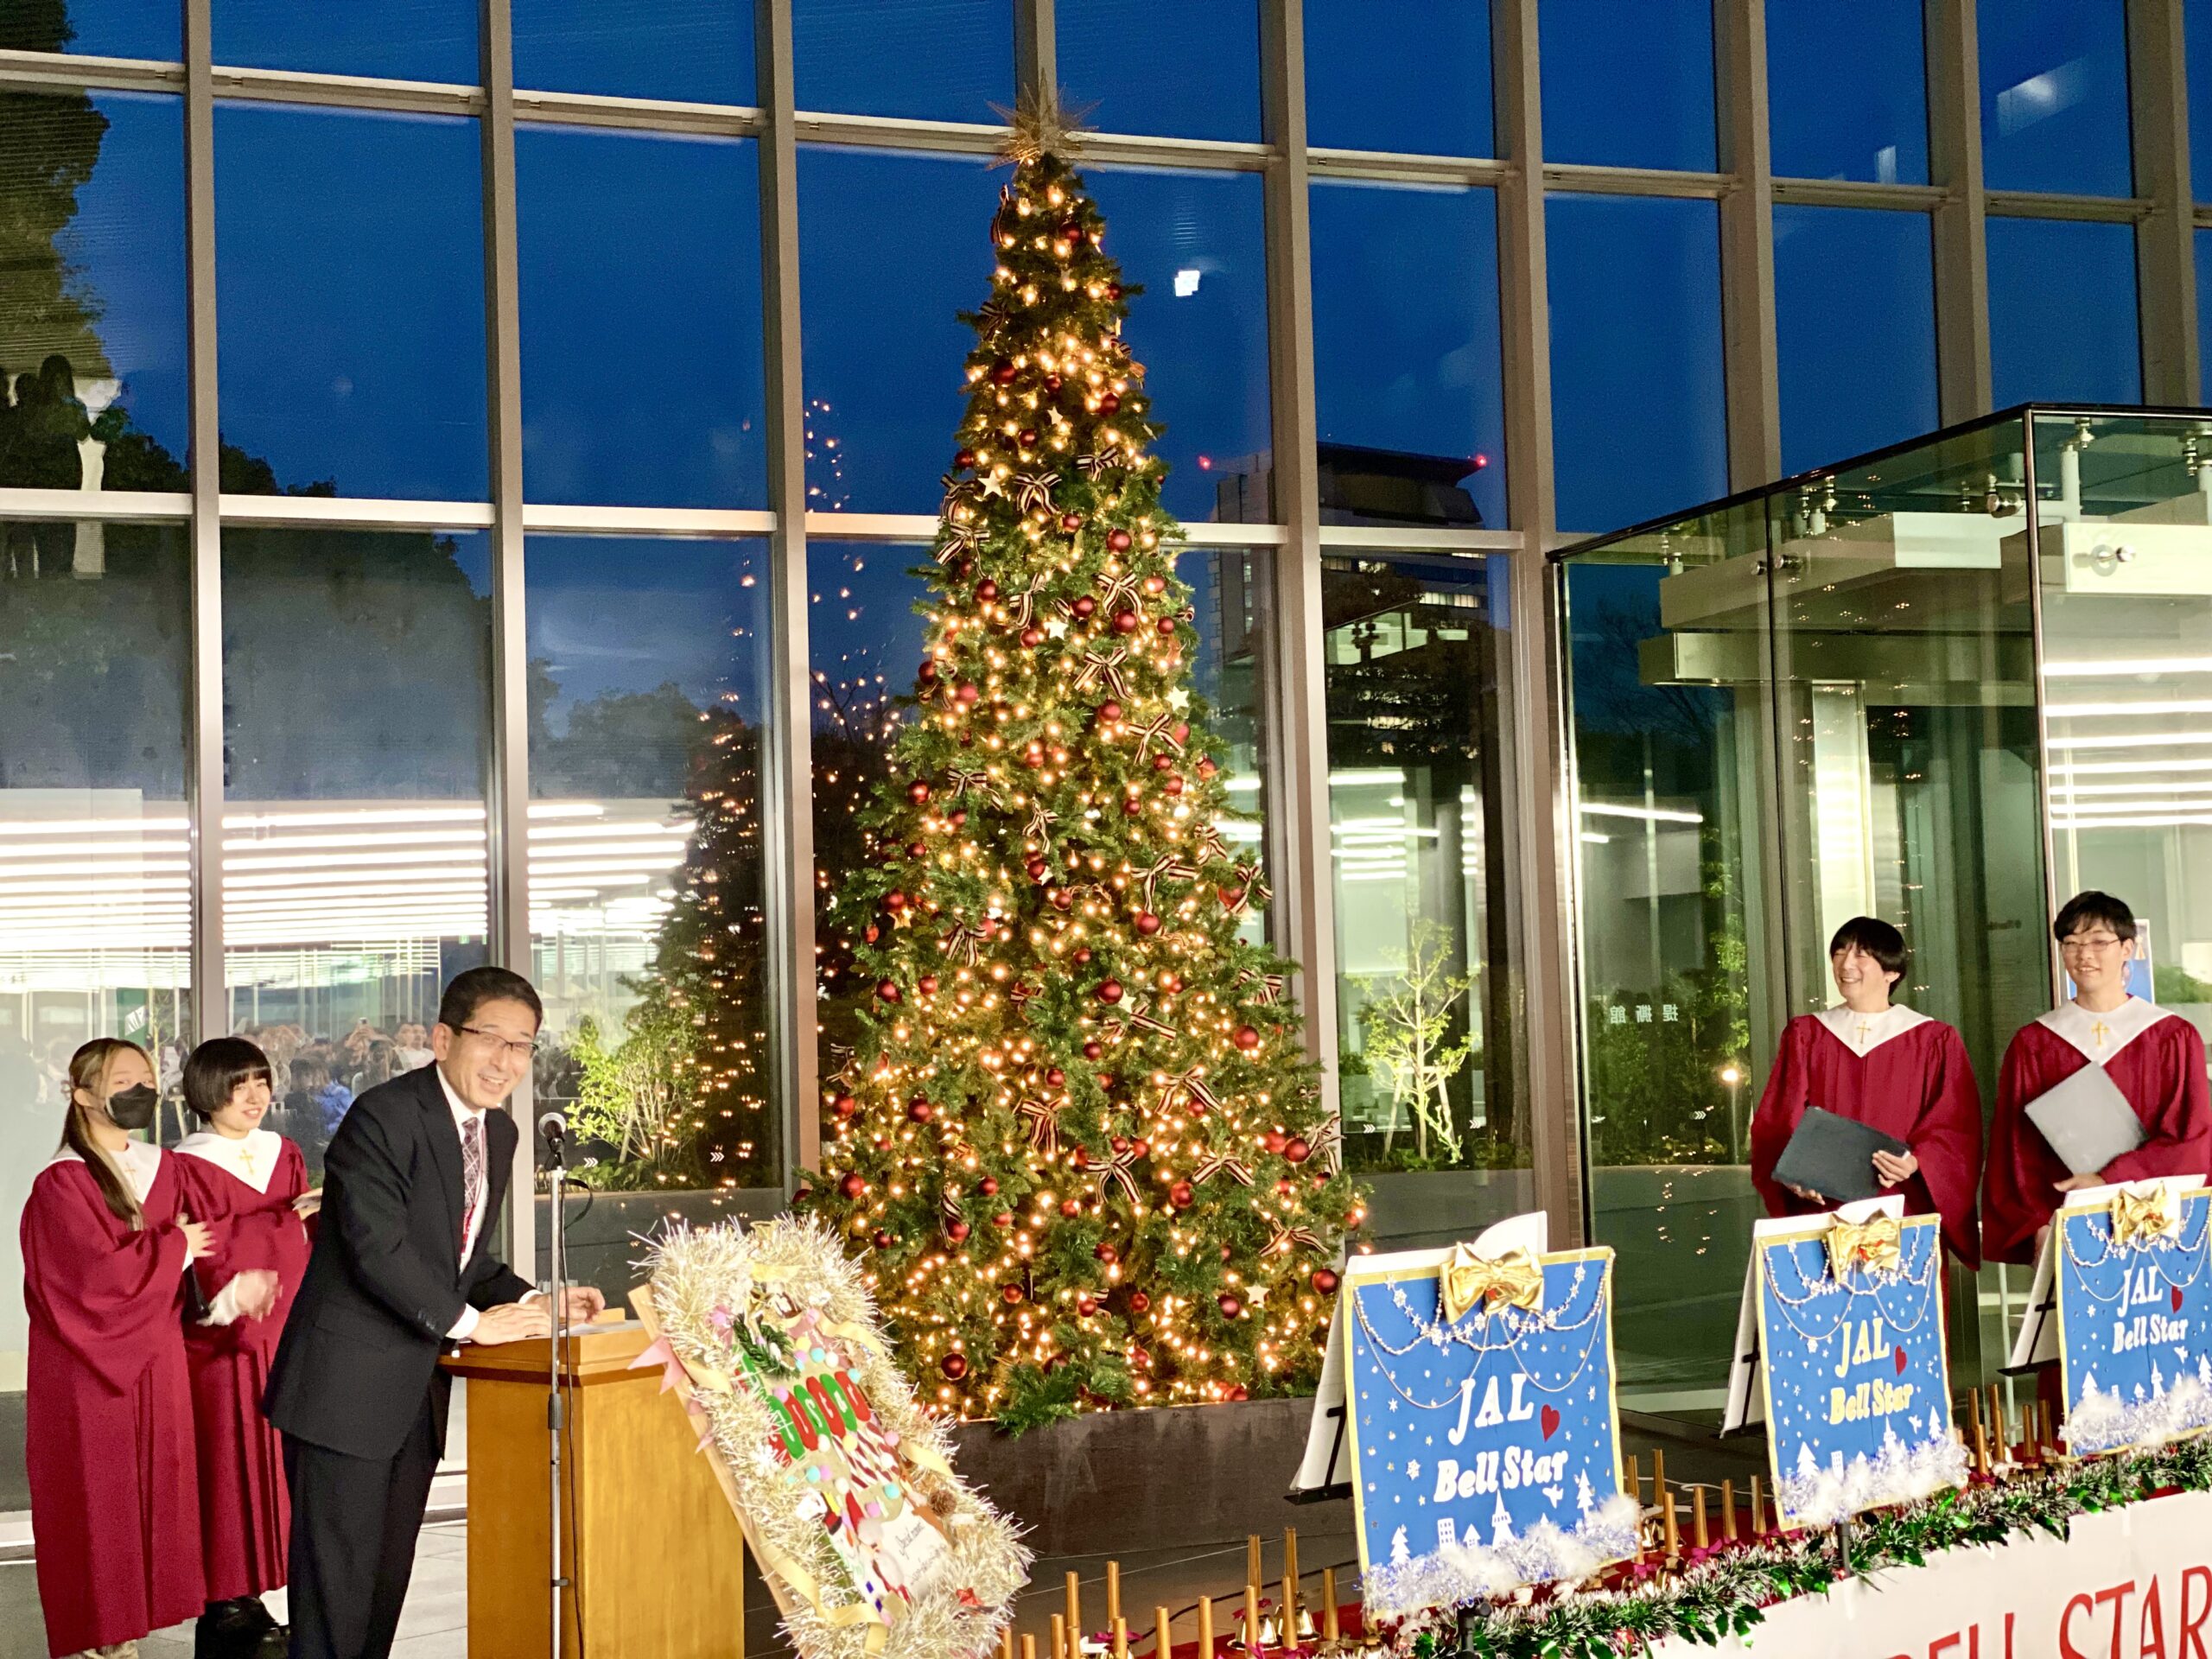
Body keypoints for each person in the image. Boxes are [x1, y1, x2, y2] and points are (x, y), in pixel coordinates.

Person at [263, 967, 603, 1659]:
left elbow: (461, 1259)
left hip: (414, 1399)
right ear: (444, 1039)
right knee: (335, 1599)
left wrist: (533, 1299)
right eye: (492, 1039)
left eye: (523, 1045)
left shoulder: (498, 1132)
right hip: (344, 1391)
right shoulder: (383, 1116)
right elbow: (375, 1247)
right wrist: (474, 1325)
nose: (506, 1061)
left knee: (382, 1591)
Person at [22, 1038, 212, 1659]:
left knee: (155, 1492)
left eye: (147, 1079)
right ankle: (97, 1632)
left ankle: (132, 1623)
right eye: (124, 1080)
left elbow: (206, 1241)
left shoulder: (166, 1167)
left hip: (157, 1355)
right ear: (81, 1095)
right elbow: (90, 1278)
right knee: (97, 1496)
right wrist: (174, 1247)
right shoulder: (62, 1183)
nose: (141, 1091)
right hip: (90, 1366)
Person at [175, 1039, 318, 1659]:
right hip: (222, 1343)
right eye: (239, 1085)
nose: (255, 1096)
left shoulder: (284, 1153)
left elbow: (302, 1241)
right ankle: (228, 1602)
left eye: (261, 1081)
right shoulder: (184, 1167)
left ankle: (270, 1596)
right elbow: (197, 1247)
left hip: (287, 1331)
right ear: (208, 1092)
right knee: (228, 1468)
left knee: (286, 1467)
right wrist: (285, 1223)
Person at [1983, 891, 2212, 1265]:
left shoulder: (2172, 1037)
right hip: (2067, 1223)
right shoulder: (2035, 1043)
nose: (2083, 955)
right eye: (2071, 944)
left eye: (2098, 942)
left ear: (2127, 948)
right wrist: (2036, 1223)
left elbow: (2191, 1139)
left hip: (2155, 1224)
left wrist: (2111, 1178)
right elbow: (2016, 1150)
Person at [1748, 916, 1985, 1267]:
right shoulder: (1807, 1034)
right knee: (1826, 1297)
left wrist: (1918, 1161)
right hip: (1822, 1207)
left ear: (1892, 971)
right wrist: (1793, 1174)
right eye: (1840, 952)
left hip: (1901, 1204)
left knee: (1898, 1298)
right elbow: (1780, 1118)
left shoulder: (1933, 1039)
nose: (1846, 963)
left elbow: (1955, 1124)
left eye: (1861, 954)